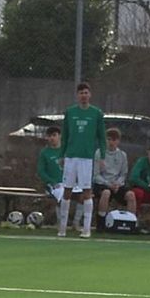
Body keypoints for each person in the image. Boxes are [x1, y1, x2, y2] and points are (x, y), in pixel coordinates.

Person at [58, 82, 106, 238]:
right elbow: (64, 135)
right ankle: (62, 228)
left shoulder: (96, 113)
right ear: (77, 95)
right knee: (67, 190)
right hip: (71, 157)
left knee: (87, 192)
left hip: (86, 158)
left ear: (90, 94)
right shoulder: (70, 112)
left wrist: (102, 156)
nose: (84, 95)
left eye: (86, 92)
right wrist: (62, 154)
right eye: (81, 93)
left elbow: (102, 136)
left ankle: (86, 229)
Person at [92, 127, 135, 230]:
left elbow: (123, 174)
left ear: (118, 141)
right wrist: (108, 184)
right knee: (106, 193)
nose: (111, 142)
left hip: (117, 185)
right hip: (102, 184)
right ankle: (101, 223)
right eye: (109, 139)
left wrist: (117, 184)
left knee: (131, 195)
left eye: (114, 140)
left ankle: (131, 223)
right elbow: (96, 175)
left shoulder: (122, 155)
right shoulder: (99, 153)